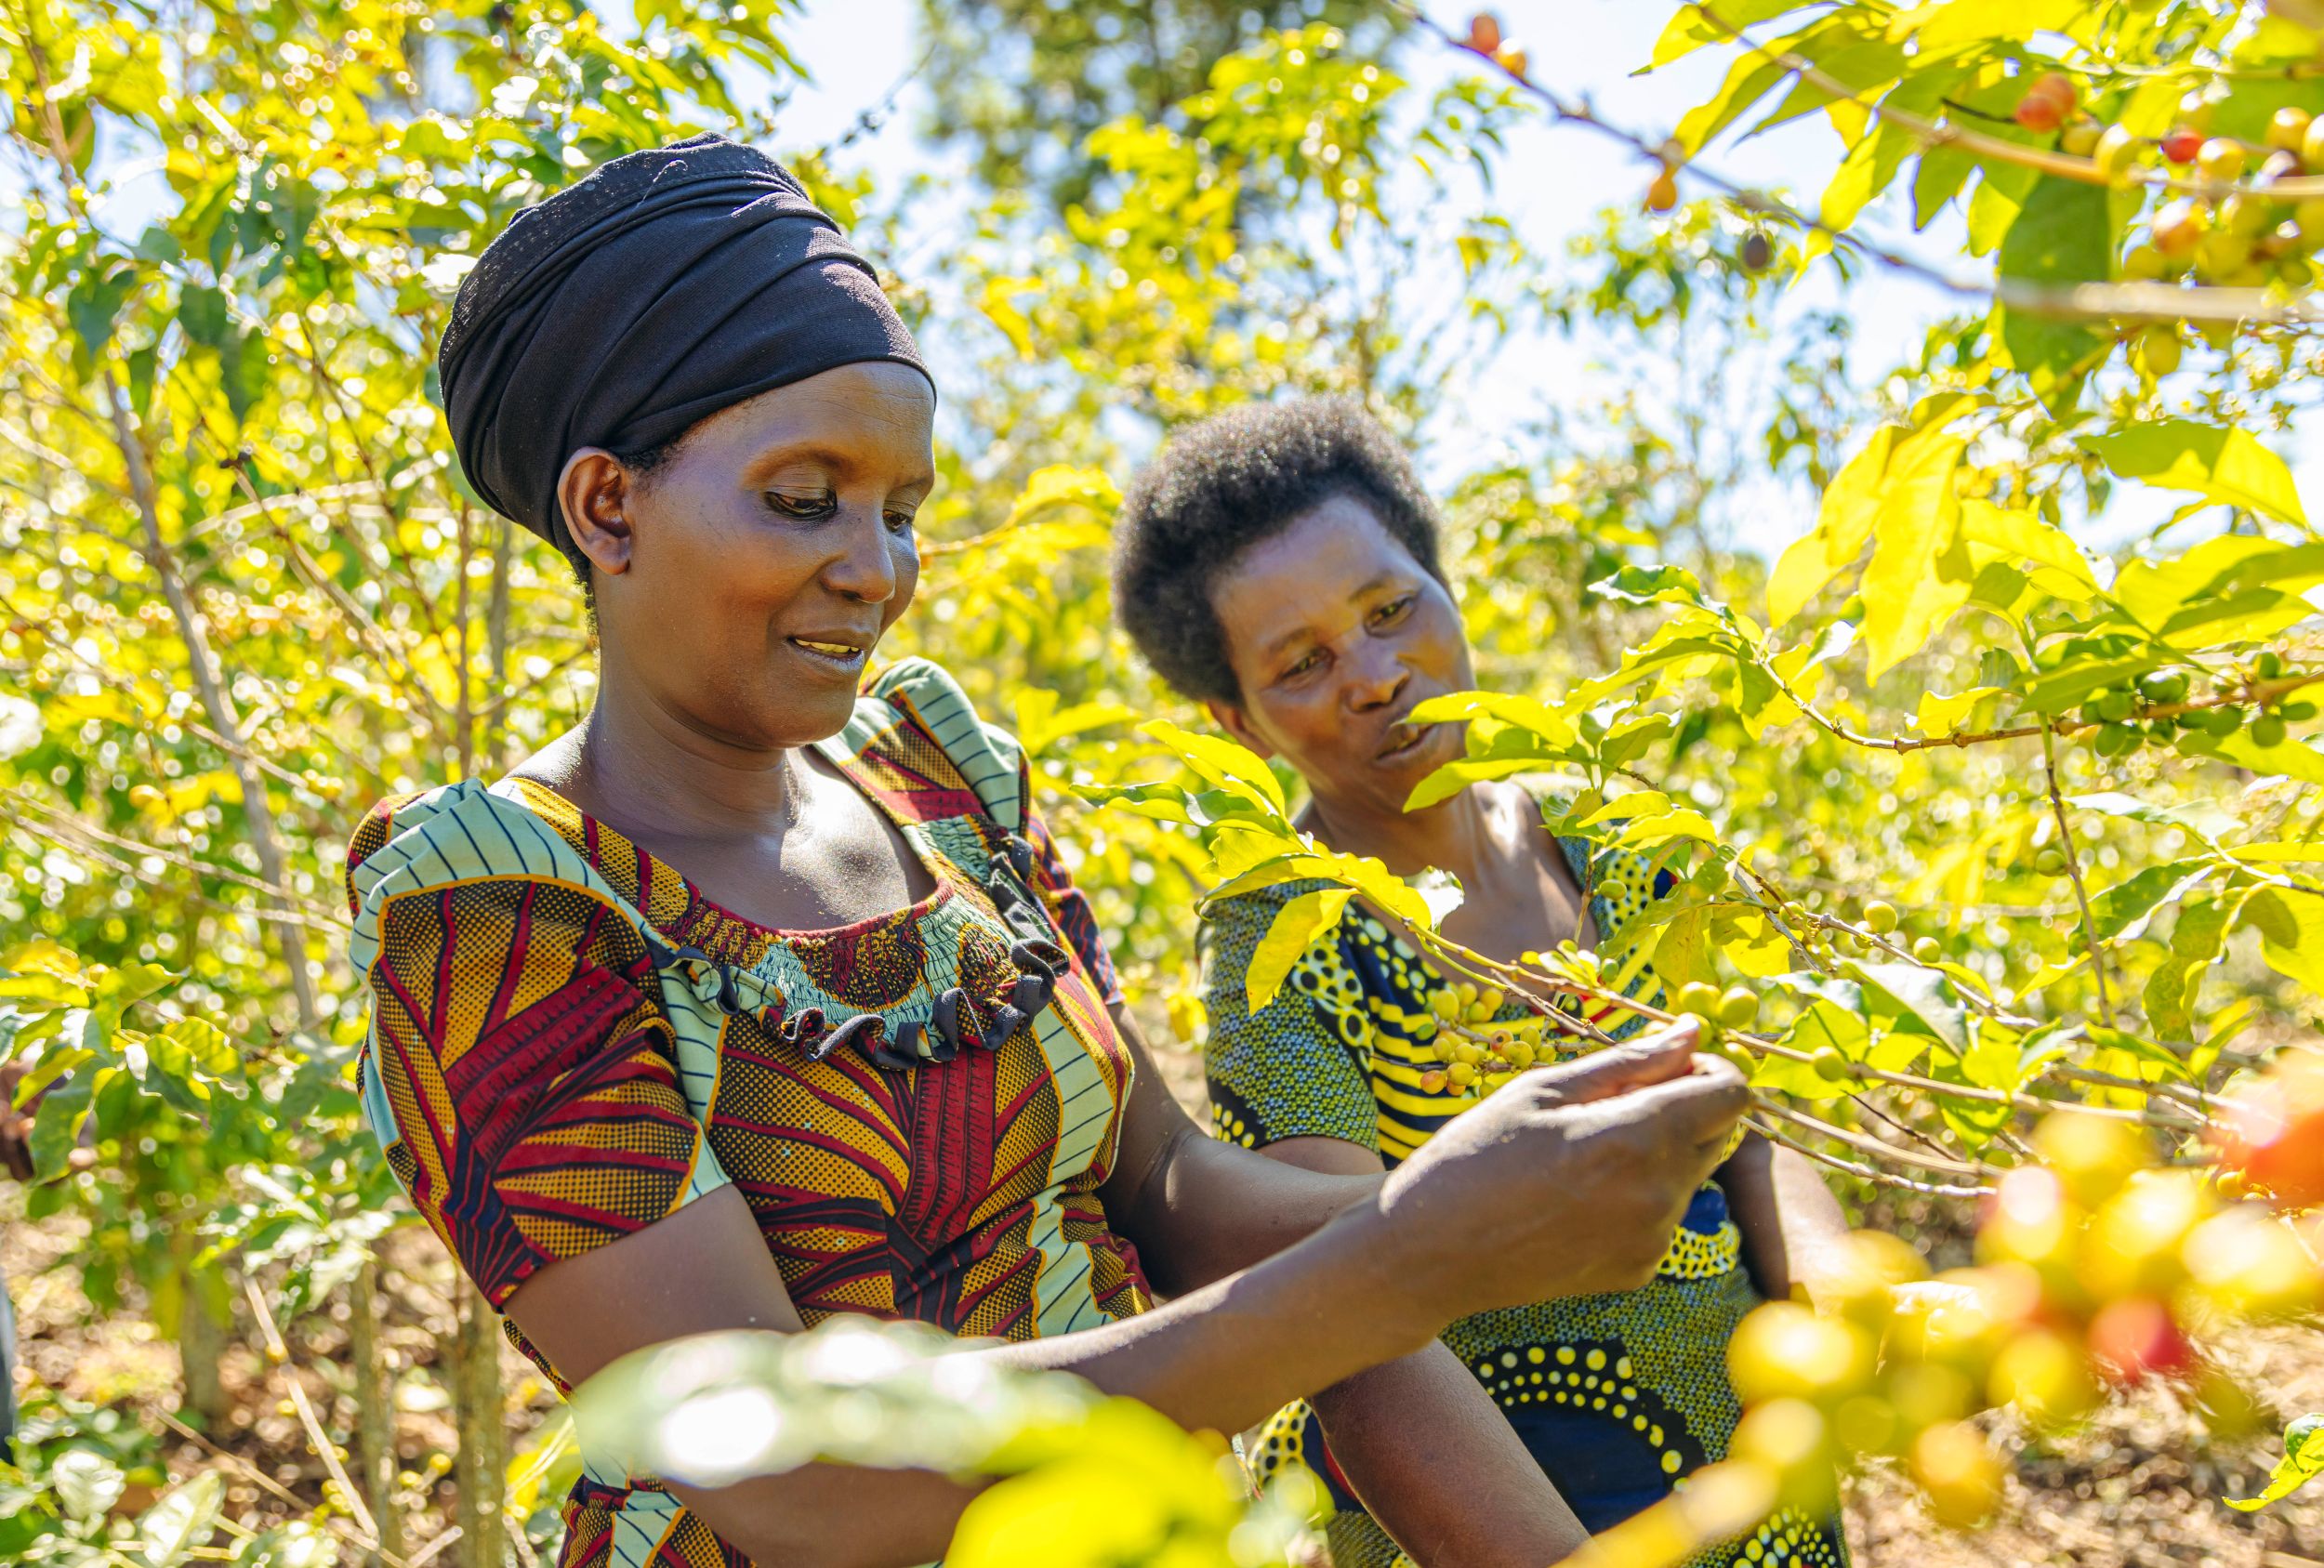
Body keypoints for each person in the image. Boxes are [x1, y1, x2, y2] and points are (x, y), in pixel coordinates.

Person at [346, 135, 1750, 1568]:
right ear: (605, 506)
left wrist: (1468, 1192)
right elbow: (798, 1477)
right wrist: (1405, 1250)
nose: (877, 568)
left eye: (902, 511)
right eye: (803, 496)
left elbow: (1177, 1195)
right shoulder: (495, 909)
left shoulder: (940, 774)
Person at [1112, 397, 1855, 1568]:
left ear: (1443, 583)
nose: (1371, 675)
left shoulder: (1620, 841)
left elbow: (1748, 1126)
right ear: (1236, 723)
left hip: (1749, 1487)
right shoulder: (1285, 940)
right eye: (1300, 663)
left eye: (1390, 609)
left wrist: (1845, 1301)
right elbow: (1348, 1300)